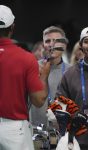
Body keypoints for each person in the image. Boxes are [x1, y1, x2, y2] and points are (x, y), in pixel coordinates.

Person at [0, 5, 51, 150]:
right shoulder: (26, 58)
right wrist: (44, 76)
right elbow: (38, 100)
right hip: (13, 130)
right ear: (12, 28)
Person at [30, 26, 70, 127]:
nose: (52, 44)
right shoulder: (31, 68)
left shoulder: (72, 71)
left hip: (63, 130)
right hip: (35, 131)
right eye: (48, 41)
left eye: (56, 41)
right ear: (43, 45)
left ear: (64, 46)